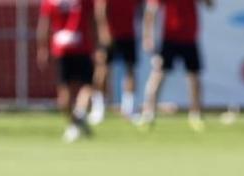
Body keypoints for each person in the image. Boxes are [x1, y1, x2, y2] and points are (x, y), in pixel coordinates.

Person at [139, 0, 212, 131]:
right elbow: (151, 10)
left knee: (194, 77)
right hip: (170, 38)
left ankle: (196, 115)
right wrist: (148, 37)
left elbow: (210, 5)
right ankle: (149, 113)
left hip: (190, 37)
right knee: (158, 75)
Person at [37, 0, 97, 142]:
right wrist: (42, 48)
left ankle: (75, 122)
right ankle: (77, 121)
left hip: (74, 49)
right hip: (71, 49)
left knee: (80, 88)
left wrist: (42, 49)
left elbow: (43, 26)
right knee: (77, 90)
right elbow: (93, 20)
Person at [90, 0, 142, 123]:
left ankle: (129, 109)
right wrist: (104, 31)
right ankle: (98, 108)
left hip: (129, 34)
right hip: (110, 35)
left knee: (130, 70)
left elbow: (140, 7)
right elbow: (100, 10)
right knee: (103, 70)